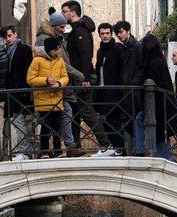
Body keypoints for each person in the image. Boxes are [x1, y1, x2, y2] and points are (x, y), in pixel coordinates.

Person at [61, 1, 114, 156]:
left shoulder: (81, 32)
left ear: (72, 12)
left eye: (64, 11)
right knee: (76, 113)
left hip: (81, 79)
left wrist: (84, 78)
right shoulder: (77, 30)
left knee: (88, 113)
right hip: (77, 78)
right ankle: (74, 148)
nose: (63, 14)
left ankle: (106, 145)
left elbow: (85, 56)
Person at [35, 7, 81, 156]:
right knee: (48, 122)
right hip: (47, 94)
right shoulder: (44, 43)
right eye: (61, 27)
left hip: (59, 91)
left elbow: (63, 71)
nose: (64, 29)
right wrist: (47, 81)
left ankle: (64, 148)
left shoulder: (57, 47)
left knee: (61, 116)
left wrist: (61, 83)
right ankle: (47, 151)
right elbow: (32, 77)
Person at [133, 33, 177, 159]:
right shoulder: (159, 60)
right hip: (160, 105)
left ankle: (142, 151)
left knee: (159, 136)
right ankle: (144, 152)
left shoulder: (153, 63)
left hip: (158, 106)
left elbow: (154, 84)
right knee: (158, 135)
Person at [27, 37, 69, 158]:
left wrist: (59, 83)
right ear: (49, 50)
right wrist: (45, 80)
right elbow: (30, 79)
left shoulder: (60, 61)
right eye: (56, 50)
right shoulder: (37, 61)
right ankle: (44, 151)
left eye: (59, 49)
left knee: (57, 126)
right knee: (45, 126)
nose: (58, 52)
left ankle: (58, 150)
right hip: (42, 100)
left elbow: (65, 76)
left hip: (57, 99)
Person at [1, 25, 34, 160]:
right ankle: (25, 151)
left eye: (9, 36)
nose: (7, 39)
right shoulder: (6, 52)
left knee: (22, 123)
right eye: (5, 37)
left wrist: (25, 90)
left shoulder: (23, 48)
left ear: (15, 34)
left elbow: (28, 70)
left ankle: (25, 151)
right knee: (19, 122)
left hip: (22, 92)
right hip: (13, 93)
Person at [95, 23, 125, 154]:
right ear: (99, 35)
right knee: (104, 120)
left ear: (111, 34)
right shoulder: (100, 51)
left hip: (114, 90)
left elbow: (121, 70)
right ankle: (114, 147)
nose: (105, 36)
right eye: (102, 33)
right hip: (101, 91)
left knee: (114, 121)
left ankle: (120, 148)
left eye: (107, 33)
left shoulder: (118, 49)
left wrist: (119, 89)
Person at [113, 20, 143, 135]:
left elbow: (142, 68)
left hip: (135, 92)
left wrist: (134, 83)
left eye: (121, 32)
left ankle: (138, 150)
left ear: (128, 31)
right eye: (117, 34)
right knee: (130, 124)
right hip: (128, 92)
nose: (119, 35)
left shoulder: (137, 46)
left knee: (135, 123)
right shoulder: (125, 48)